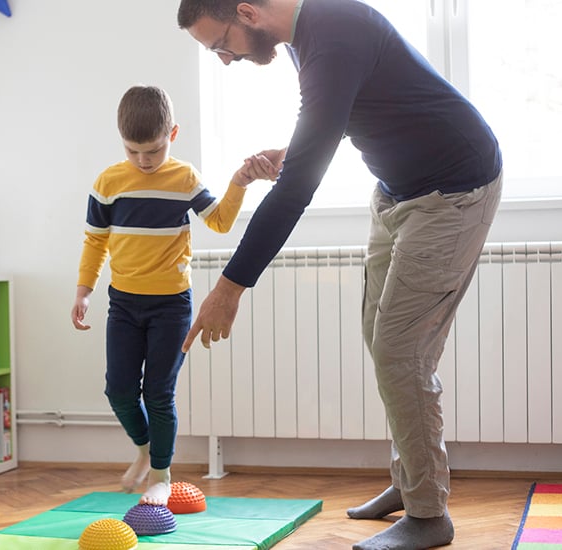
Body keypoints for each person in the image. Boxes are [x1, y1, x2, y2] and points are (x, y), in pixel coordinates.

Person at [176, 1, 503, 548]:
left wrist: (229, 289)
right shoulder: (303, 38)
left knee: (401, 352)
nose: (226, 60)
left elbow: (295, 191)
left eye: (221, 46)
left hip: (454, 193)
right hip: (397, 193)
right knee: (383, 342)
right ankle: (412, 482)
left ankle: (429, 515)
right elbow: (353, 109)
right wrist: (297, 149)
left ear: (247, 12)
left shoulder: (333, 31)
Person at [71, 85, 274, 506]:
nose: (143, 161)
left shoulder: (184, 178)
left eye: (154, 151)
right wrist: (84, 290)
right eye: (133, 151)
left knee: (158, 393)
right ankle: (145, 448)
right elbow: (95, 240)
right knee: (119, 391)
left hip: (171, 305)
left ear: (173, 135)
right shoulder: (108, 183)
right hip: (123, 304)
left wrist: (239, 182)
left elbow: (219, 222)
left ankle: (161, 475)